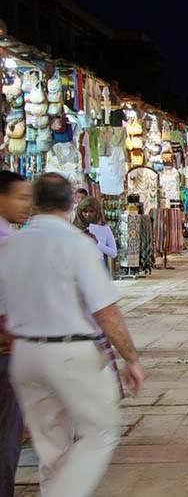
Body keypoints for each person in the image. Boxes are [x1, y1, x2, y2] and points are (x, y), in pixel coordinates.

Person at [0, 173, 144, 496]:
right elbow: (105, 311)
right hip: (69, 353)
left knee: (52, 447)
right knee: (100, 432)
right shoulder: (77, 244)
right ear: (71, 204)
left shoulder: (11, 246)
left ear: (35, 203)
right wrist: (131, 358)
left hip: (24, 355)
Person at [0, 171, 30, 497]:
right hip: (7, 348)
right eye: (20, 197)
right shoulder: (10, 242)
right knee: (8, 430)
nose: (27, 205)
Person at [73, 197, 118, 268]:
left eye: (91, 211)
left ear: (97, 212)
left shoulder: (104, 228)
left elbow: (113, 253)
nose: (88, 214)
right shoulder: (75, 228)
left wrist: (97, 243)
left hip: (98, 267)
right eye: (85, 212)